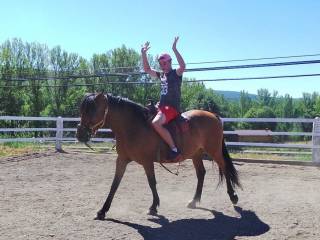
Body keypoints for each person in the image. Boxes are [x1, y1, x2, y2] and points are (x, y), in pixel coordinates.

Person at [141, 37, 186, 161]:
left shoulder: (175, 73)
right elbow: (147, 69)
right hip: (161, 107)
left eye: (164, 63)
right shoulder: (161, 75)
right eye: (160, 64)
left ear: (170, 62)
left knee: (156, 123)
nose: (162, 66)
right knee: (144, 116)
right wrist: (143, 53)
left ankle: (174, 150)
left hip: (172, 108)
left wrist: (175, 49)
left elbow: (183, 66)